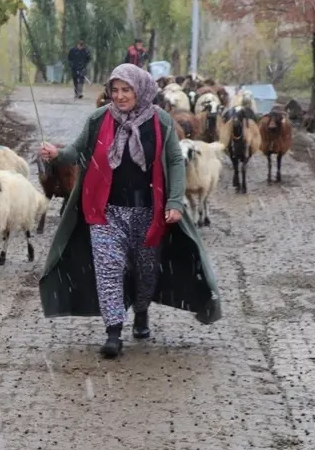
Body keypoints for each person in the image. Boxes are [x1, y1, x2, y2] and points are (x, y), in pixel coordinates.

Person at [37, 63, 221, 358]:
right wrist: (57, 154)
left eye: (126, 90)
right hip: (106, 211)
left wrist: (174, 202)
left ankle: (142, 310)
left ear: (141, 90)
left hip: (149, 212)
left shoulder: (160, 121)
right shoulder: (99, 119)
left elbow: (174, 161)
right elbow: (78, 151)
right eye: (115, 90)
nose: (120, 97)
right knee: (108, 269)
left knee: (145, 272)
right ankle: (113, 332)